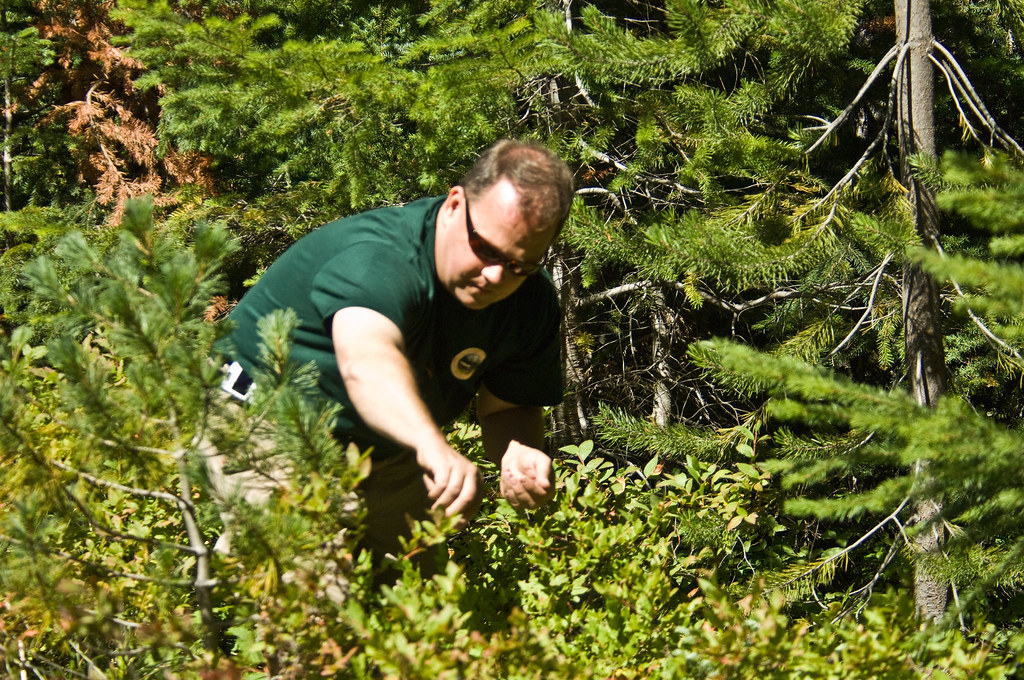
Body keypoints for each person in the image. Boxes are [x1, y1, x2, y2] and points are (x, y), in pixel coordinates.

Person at [215, 139, 575, 567]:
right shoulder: (383, 258)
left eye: (520, 264)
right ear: (454, 205)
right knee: (307, 592)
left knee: (414, 599)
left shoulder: (528, 303)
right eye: (485, 249)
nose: (496, 275)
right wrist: (431, 445)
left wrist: (517, 451)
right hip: (257, 409)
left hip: (376, 443)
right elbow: (367, 362)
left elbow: (506, 408)